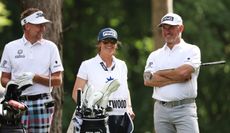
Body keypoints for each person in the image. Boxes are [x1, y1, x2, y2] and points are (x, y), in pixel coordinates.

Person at [0, 8, 64, 133]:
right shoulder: (10, 47)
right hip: (17, 103)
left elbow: (57, 80)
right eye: (39, 25)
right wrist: (11, 85)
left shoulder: (51, 48)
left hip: (42, 102)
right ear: (27, 25)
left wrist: (35, 78)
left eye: (43, 25)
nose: (43, 28)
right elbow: (4, 78)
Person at [143, 13, 201, 133]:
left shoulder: (192, 50)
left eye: (171, 27)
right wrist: (177, 77)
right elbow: (148, 80)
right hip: (161, 111)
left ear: (181, 28)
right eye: (164, 27)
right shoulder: (154, 55)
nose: (167, 31)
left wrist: (159, 74)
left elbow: (184, 73)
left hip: (185, 109)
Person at [72, 27, 135, 133]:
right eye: (106, 41)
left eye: (113, 41)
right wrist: (89, 111)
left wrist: (129, 107)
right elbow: (75, 94)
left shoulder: (122, 65)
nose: (109, 44)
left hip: (121, 117)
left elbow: (125, 89)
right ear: (99, 43)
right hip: (98, 118)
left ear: (116, 44)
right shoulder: (87, 65)